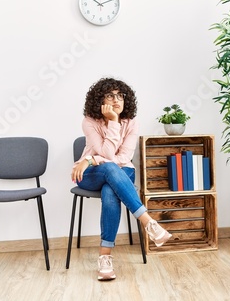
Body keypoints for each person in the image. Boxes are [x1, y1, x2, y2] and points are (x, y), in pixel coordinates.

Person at [71, 77, 172, 281]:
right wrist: (113, 121)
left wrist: (91, 159)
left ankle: (104, 258)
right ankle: (148, 221)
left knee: (111, 190)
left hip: (119, 171)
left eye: (120, 95)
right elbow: (107, 154)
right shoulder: (89, 122)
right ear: (100, 99)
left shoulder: (133, 122)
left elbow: (124, 157)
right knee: (108, 168)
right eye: (110, 95)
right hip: (89, 175)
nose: (116, 100)